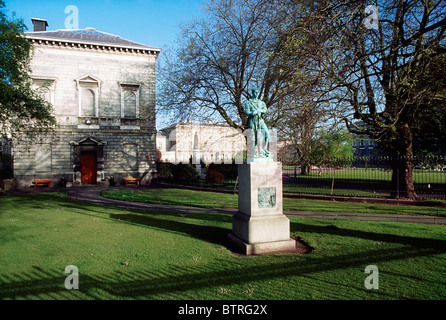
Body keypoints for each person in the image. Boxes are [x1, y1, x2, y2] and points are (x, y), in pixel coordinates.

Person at [244, 88, 269, 158]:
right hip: (252, 120)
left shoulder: (261, 103)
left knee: (267, 134)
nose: (257, 94)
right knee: (253, 137)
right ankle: (254, 154)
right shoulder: (248, 102)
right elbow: (246, 111)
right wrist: (252, 112)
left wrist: (259, 110)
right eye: (255, 92)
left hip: (260, 120)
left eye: (258, 92)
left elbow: (265, 110)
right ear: (253, 93)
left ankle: (264, 150)